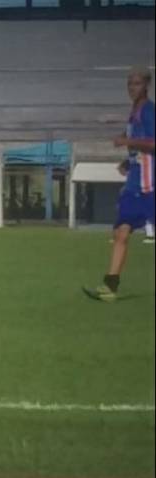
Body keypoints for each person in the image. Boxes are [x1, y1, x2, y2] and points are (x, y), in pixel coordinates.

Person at [86, 67, 155, 302]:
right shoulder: (133, 112)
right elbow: (140, 147)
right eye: (129, 84)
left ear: (146, 85)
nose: (131, 88)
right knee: (121, 231)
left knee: (123, 231)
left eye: (136, 84)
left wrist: (127, 141)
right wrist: (128, 159)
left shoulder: (148, 110)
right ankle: (110, 286)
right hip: (135, 182)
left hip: (149, 183)